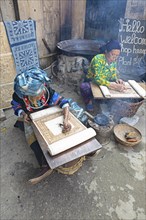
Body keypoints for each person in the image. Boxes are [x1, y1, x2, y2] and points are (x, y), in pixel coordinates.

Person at [11, 67, 71, 182]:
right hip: (31, 118)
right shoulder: (19, 96)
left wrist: (66, 120)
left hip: (47, 114)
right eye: (36, 95)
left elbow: (64, 103)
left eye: (41, 92)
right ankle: (45, 166)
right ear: (26, 94)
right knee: (35, 142)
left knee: (57, 134)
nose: (40, 95)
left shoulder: (47, 91)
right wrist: (23, 114)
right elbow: (16, 106)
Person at [80, 39, 125, 112]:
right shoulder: (98, 59)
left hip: (104, 82)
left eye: (117, 56)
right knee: (84, 87)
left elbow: (113, 75)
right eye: (113, 54)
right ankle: (88, 101)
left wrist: (117, 80)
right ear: (106, 51)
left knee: (111, 93)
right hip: (92, 82)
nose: (114, 58)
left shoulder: (113, 61)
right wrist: (111, 85)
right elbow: (97, 78)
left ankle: (103, 101)